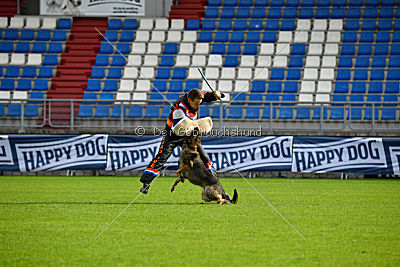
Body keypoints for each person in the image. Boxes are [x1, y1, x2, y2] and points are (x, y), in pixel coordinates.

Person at [139, 88, 224, 194]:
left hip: (188, 134)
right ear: (189, 100)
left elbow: (206, 96)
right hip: (173, 133)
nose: (198, 106)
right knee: (162, 157)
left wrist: (216, 95)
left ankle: (218, 188)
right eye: (196, 104)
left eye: (199, 104)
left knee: (204, 158)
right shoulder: (179, 108)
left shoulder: (195, 97)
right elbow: (179, 127)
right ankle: (146, 183)